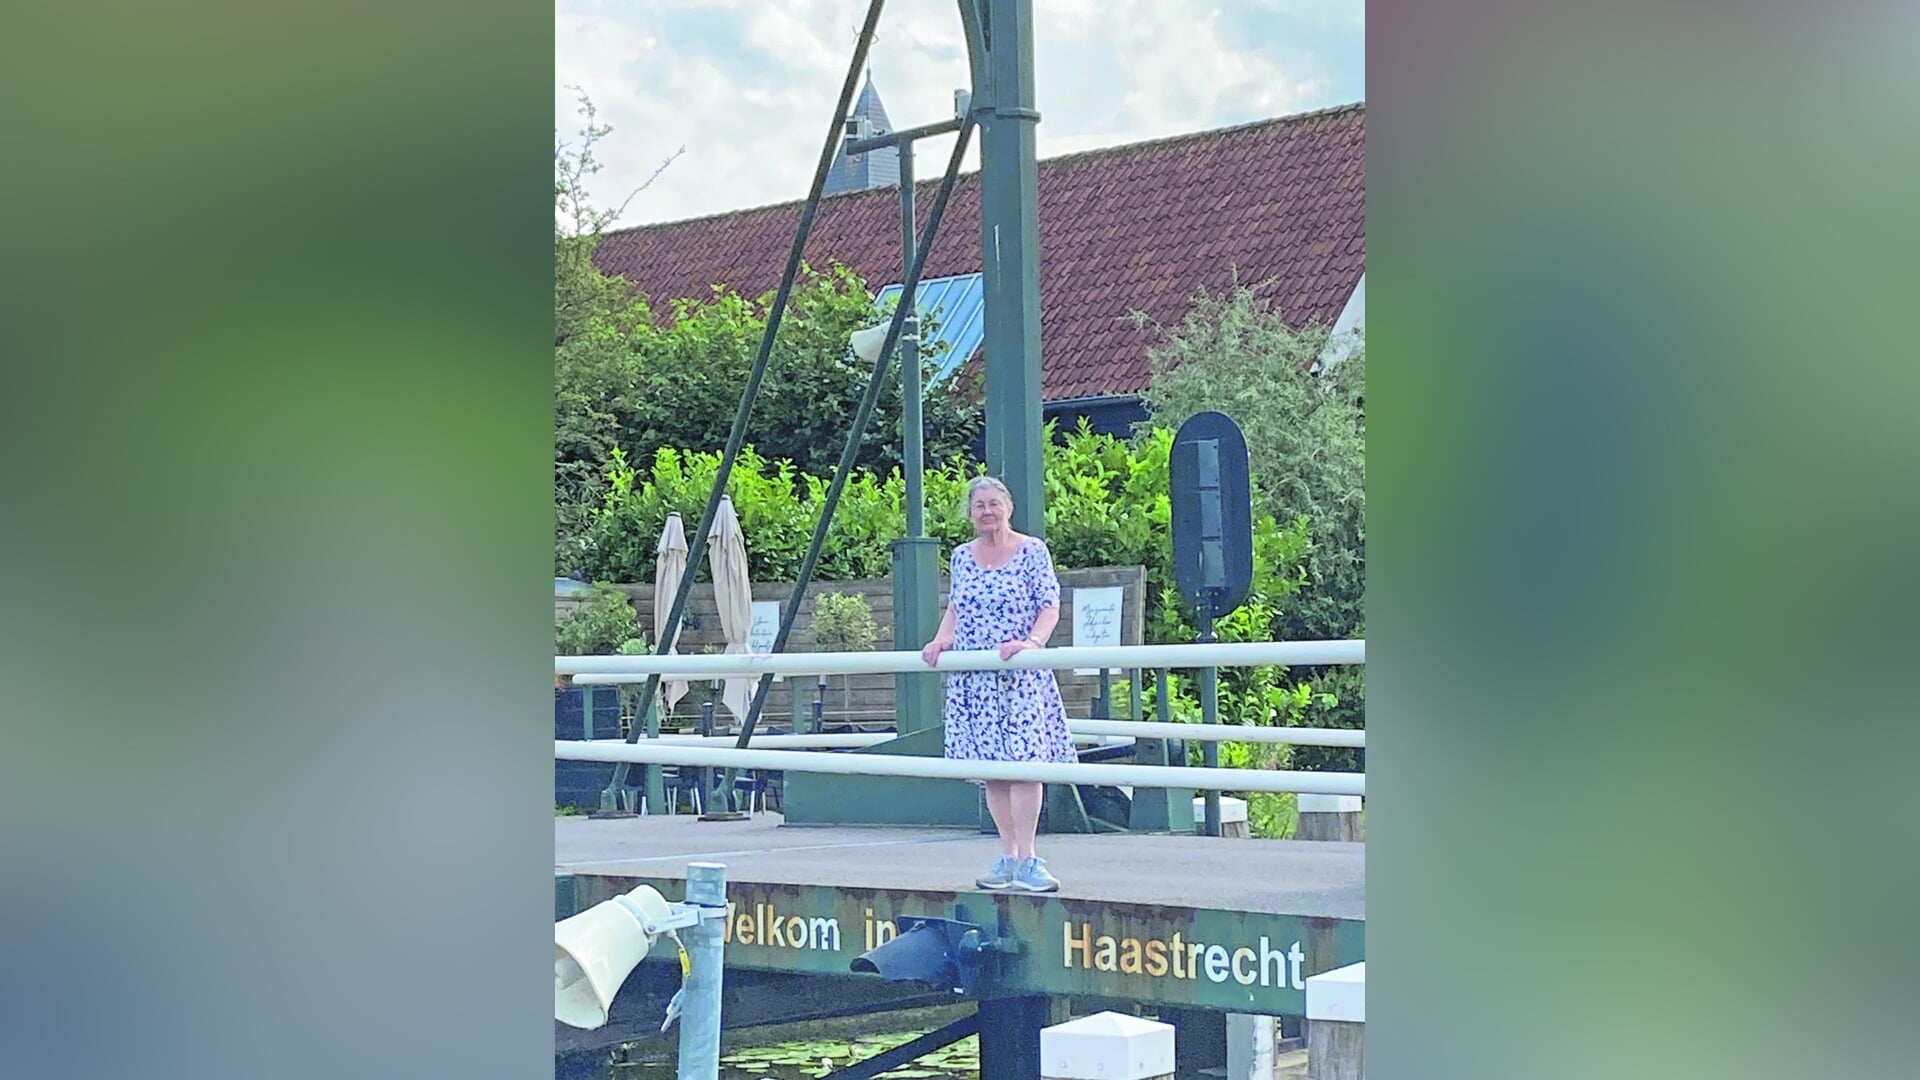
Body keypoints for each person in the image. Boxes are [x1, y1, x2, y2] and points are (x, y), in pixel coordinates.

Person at [921, 475, 1074, 893]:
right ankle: (1009, 855)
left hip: (1019, 674)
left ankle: (1028, 857)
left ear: (1008, 507)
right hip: (976, 678)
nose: (987, 511)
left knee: (1025, 762)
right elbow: (956, 606)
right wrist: (941, 638)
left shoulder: (1032, 551)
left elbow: (1049, 605)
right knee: (993, 770)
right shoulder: (961, 557)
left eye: (993, 503)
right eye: (979, 506)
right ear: (970, 514)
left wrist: (1032, 643)